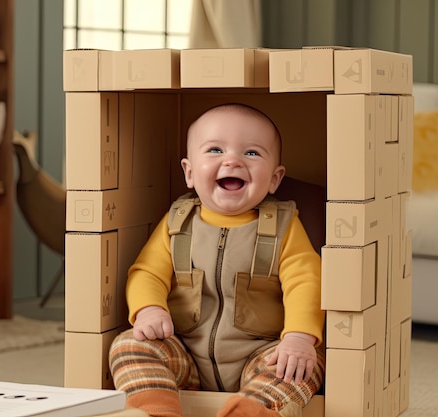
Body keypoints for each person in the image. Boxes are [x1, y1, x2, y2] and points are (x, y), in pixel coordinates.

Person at [109, 103, 325, 417]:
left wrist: (299, 337)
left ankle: (248, 412)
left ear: (275, 178)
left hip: (261, 356)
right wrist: (149, 309)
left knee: (302, 366)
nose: (233, 160)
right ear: (189, 172)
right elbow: (147, 272)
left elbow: (306, 280)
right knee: (129, 345)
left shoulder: (284, 224)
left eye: (252, 153)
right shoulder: (178, 222)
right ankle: (156, 410)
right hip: (185, 355)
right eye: (214, 149)